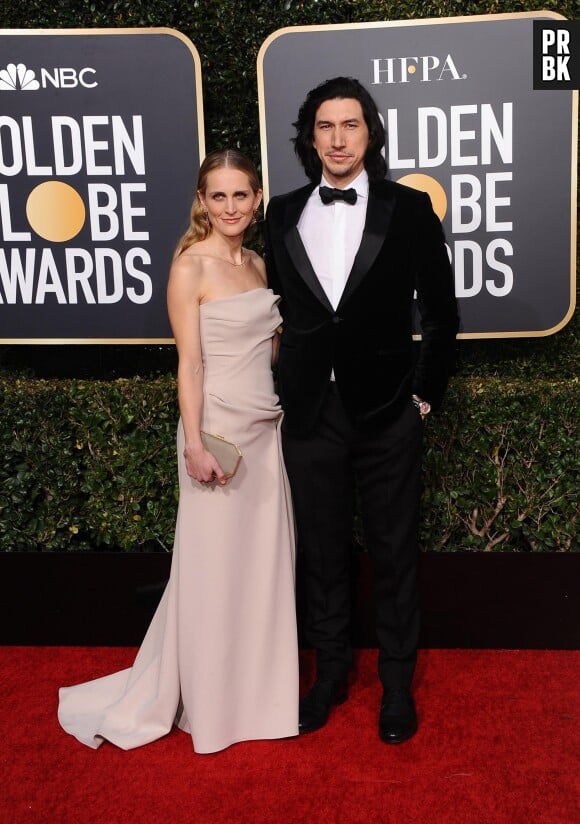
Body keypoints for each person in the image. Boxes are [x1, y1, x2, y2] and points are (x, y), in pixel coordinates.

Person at [58, 149, 299, 754]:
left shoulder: (259, 266)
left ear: (258, 197)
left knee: (261, 569)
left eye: (240, 195)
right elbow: (189, 364)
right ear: (201, 201)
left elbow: (267, 353)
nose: (229, 207)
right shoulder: (190, 267)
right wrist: (192, 443)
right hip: (215, 433)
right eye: (217, 196)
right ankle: (215, 705)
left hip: (263, 433)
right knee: (214, 572)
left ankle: (258, 697)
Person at [264, 77, 459, 744]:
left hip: (386, 414)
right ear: (310, 136)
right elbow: (276, 317)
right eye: (326, 125)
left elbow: (442, 316)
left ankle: (398, 687)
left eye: (351, 124)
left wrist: (421, 398)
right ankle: (329, 677)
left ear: (370, 133)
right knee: (321, 556)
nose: (339, 137)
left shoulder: (408, 211)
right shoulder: (281, 214)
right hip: (311, 413)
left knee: (394, 553)